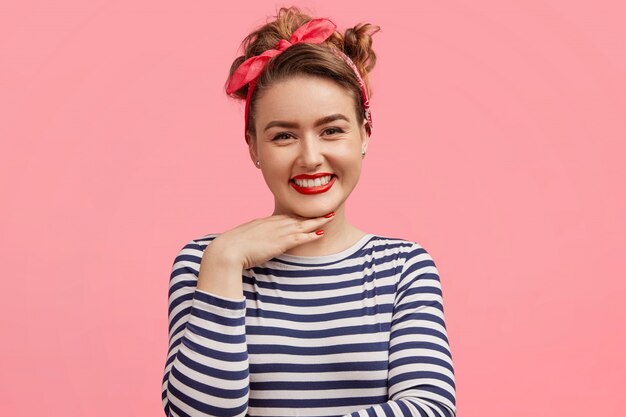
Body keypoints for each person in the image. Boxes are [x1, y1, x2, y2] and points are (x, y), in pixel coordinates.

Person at [161, 6, 456, 417]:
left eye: (332, 130)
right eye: (283, 135)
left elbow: (430, 408)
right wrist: (225, 261)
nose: (310, 157)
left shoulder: (404, 268)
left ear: (365, 134)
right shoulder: (205, 261)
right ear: (253, 147)